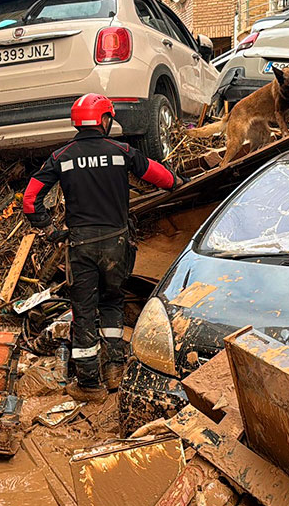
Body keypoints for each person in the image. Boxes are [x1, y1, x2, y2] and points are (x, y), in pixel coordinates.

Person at [22, 93, 183, 402]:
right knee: (112, 303)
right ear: (104, 120)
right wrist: (179, 182)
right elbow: (161, 176)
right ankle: (115, 370)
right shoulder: (122, 151)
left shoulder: (61, 157)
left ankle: (89, 385)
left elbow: (30, 199)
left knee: (84, 312)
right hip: (118, 244)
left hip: (82, 246)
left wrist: (49, 228)